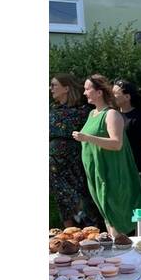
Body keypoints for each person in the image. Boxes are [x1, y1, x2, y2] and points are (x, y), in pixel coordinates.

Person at [71, 74, 141, 237]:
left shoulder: (111, 114)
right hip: (96, 174)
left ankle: (121, 246)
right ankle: (116, 245)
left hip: (111, 174)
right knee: (106, 214)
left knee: (115, 214)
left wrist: (87, 138)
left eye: (87, 89)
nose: (84, 93)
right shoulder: (92, 114)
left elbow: (116, 143)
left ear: (99, 92)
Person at [50, 73, 99, 227]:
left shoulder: (82, 111)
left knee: (78, 196)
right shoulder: (52, 110)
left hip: (74, 161)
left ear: (66, 88)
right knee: (61, 198)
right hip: (53, 162)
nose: (51, 88)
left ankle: (92, 229)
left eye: (54, 85)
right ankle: (69, 234)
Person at [111, 78, 141, 206]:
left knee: (134, 200)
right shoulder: (112, 116)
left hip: (133, 167)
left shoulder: (140, 117)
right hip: (115, 165)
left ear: (127, 97)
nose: (112, 97)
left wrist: (133, 156)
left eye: (115, 94)